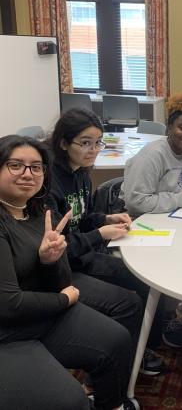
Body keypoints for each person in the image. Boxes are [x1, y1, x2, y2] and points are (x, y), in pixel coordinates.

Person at [0, 135, 138, 410]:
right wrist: (64, 300)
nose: (28, 174)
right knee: (70, 401)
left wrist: (48, 260)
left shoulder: (37, 212)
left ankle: (111, 404)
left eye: (36, 167)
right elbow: (8, 305)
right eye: (16, 165)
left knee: (116, 339)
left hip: (42, 313)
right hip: (8, 332)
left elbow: (62, 278)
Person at [46, 108, 165, 375]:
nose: (94, 149)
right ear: (64, 143)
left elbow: (84, 217)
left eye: (98, 142)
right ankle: (109, 369)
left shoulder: (81, 174)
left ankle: (141, 346)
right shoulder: (50, 183)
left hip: (82, 256)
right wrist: (101, 234)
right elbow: (60, 246)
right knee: (128, 303)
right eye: (85, 143)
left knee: (144, 278)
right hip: (63, 268)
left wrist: (105, 218)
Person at [122, 92, 182, 336]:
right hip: (140, 222)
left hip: (171, 216)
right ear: (169, 127)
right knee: (174, 259)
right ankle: (166, 317)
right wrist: (180, 199)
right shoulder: (152, 156)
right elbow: (135, 203)